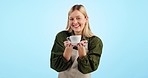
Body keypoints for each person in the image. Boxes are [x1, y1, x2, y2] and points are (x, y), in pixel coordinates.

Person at [50, 4, 103, 78]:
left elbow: (88, 69)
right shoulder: (61, 37)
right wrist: (68, 50)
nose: (74, 22)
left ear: (86, 19)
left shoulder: (95, 41)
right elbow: (55, 66)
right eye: (71, 19)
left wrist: (82, 53)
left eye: (78, 18)